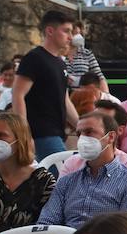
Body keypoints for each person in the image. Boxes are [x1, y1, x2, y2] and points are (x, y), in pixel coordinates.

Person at [36, 110, 127, 229]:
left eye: (89, 132)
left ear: (110, 137)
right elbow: (46, 222)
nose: (82, 139)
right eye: (79, 134)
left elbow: (125, 230)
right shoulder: (66, 182)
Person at [12, 8, 79, 160]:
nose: (70, 37)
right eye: (66, 31)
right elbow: (18, 94)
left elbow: (64, 99)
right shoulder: (34, 58)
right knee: (60, 176)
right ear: (50, 30)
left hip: (58, 132)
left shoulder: (60, 63)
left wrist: (81, 126)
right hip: (41, 133)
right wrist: (24, 134)